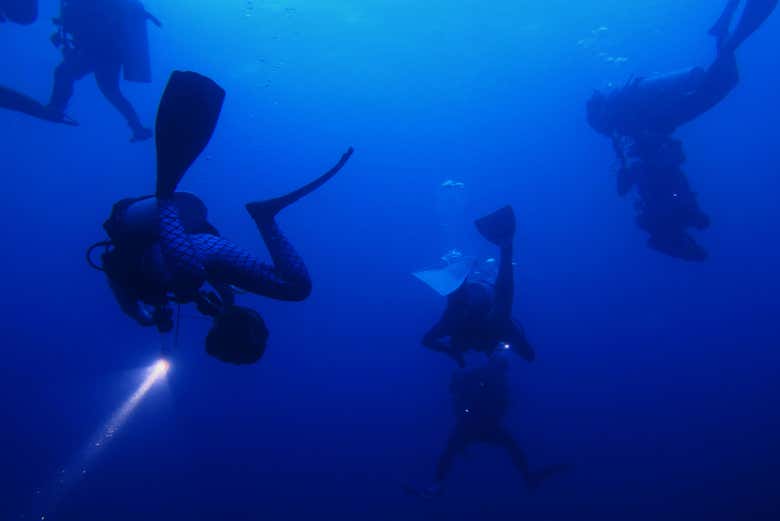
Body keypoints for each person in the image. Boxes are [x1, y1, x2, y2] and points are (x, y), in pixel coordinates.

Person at [87, 71, 354, 364]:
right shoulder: (194, 290)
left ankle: (166, 192)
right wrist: (213, 304)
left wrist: (146, 317)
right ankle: (265, 216)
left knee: (188, 278)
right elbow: (218, 292)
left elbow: (127, 295)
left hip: (144, 221)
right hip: (187, 230)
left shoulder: (143, 288)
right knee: (296, 289)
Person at [586, 0, 777, 261]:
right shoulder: (623, 124)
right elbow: (651, 158)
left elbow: (646, 155)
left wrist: (636, 167)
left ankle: (726, 34)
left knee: (722, 82)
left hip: (674, 103)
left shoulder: (624, 122)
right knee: (725, 81)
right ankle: (724, 31)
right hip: (673, 104)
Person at [405, 352, 568, 498]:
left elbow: (461, 391)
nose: (502, 371)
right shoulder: (481, 375)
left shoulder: (497, 381)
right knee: (454, 450)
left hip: (482, 425)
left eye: (502, 368)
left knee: (455, 450)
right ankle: (437, 484)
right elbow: (457, 388)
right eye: (500, 367)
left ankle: (438, 484)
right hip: (473, 424)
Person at [421, 206, 535, 367]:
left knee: (500, 311)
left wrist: (453, 354)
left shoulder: (490, 326)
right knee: (496, 312)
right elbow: (426, 340)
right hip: (478, 295)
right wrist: (452, 353)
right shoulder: (454, 322)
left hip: (482, 297)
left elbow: (504, 293)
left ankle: (473, 268)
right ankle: (468, 270)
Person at [46, 0, 162, 140]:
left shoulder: (86, 5)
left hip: (103, 51)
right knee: (110, 92)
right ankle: (137, 127)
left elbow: (85, 32)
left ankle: (56, 107)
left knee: (65, 73)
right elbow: (75, 37)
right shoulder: (76, 6)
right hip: (104, 52)